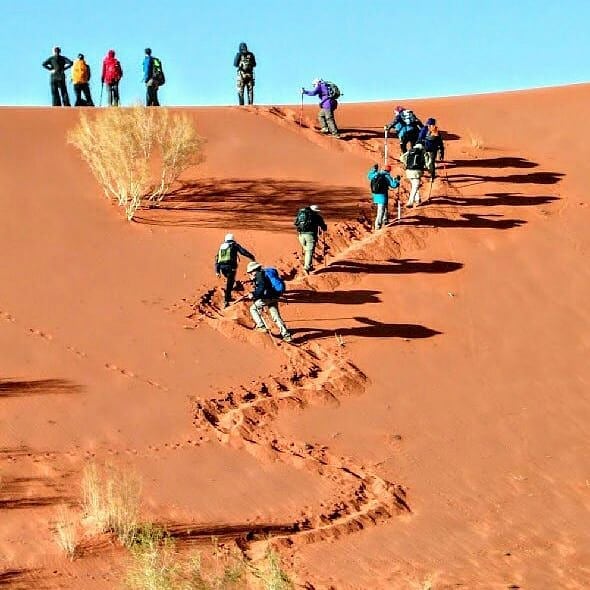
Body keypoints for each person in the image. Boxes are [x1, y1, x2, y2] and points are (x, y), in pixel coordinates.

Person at [246, 261, 292, 342]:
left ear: (254, 270)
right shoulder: (265, 273)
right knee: (276, 316)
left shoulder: (259, 275)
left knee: (253, 308)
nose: (250, 274)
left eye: (250, 272)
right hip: (275, 296)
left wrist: (253, 294)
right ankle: (286, 335)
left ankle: (261, 326)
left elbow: (262, 288)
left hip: (267, 297)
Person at [215, 233, 256, 308]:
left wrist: (217, 271)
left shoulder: (222, 247)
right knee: (229, 283)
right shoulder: (234, 245)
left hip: (222, 267)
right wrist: (251, 257)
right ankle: (227, 300)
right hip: (231, 267)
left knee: (229, 279)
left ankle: (232, 286)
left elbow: (217, 258)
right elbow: (243, 252)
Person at [294, 204, 327, 274]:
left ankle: (309, 265)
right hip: (310, 236)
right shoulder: (316, 216)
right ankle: (307, 268)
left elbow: (296, 223)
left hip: (301, 235)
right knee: (309, 252)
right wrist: (324, 228)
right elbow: (323, 226)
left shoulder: (301, 214)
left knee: (307, 251)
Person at [367, 164, 401, 230]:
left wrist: (374, 170)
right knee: (381, 211)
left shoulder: (376, 174)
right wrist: (397, 181)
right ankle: (378, 226)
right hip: (382, 195)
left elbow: (369, 176)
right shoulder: (387, 176)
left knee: (384, 208)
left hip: (375, 195)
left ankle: (385, 220)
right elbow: (393, 185)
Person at [400, 143, 426, 207]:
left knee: (414, 186)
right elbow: (427, 162)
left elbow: (402, 157)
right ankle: (410, 202)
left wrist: (406, 163)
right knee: (415, 187)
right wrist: (431, 170)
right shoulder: (422, 152)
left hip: (409, 172)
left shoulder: (410, 151)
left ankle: (417, 199)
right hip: (417, 172)